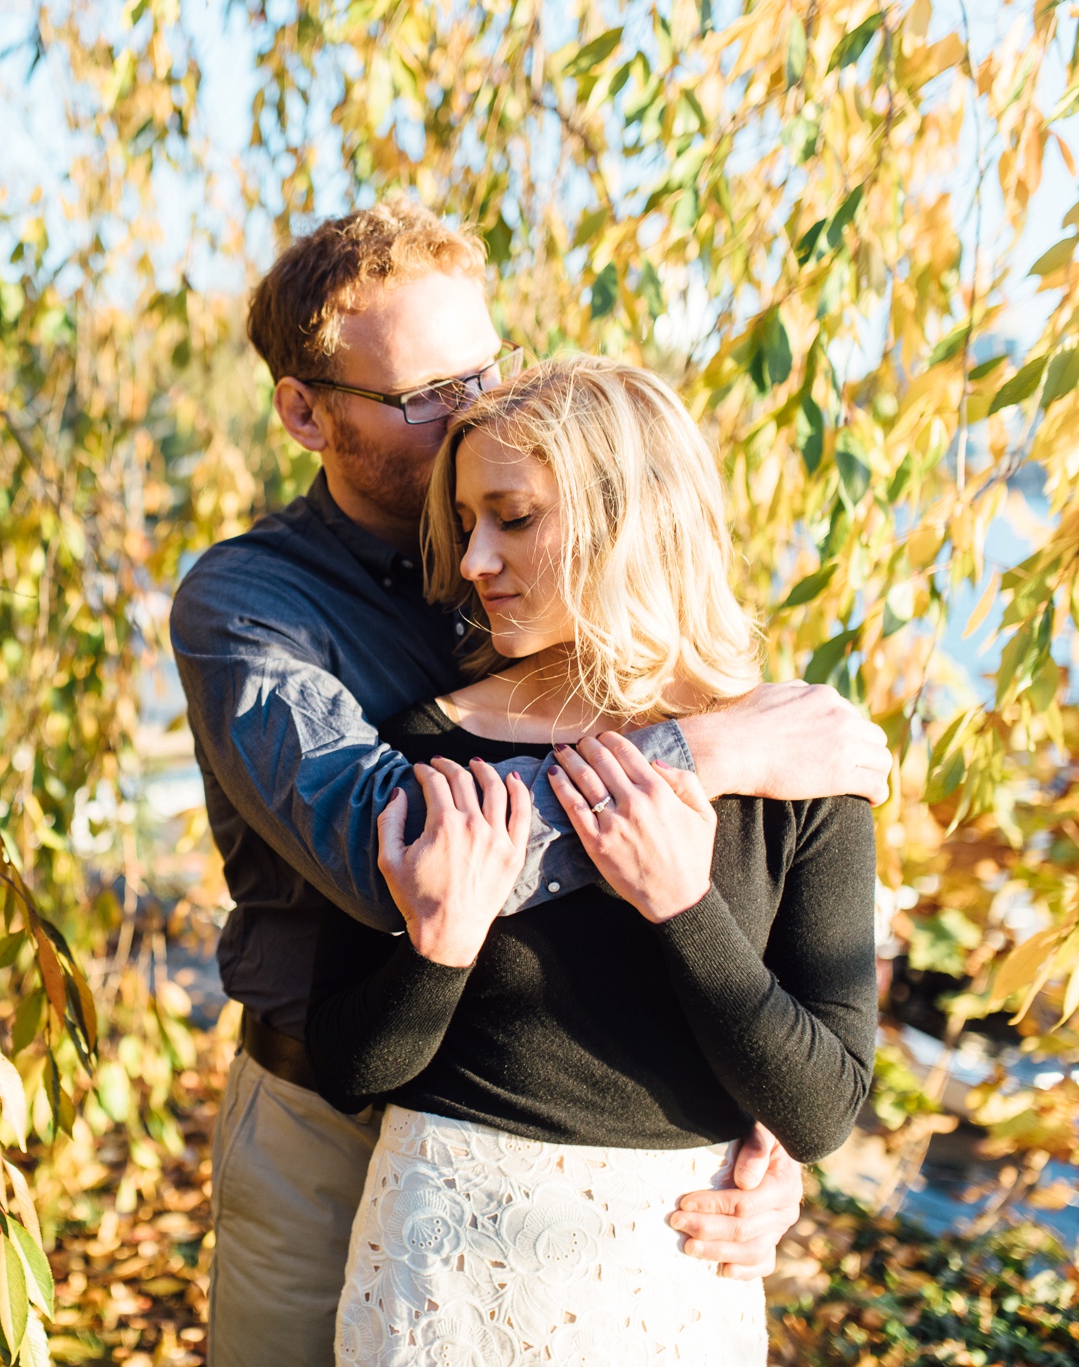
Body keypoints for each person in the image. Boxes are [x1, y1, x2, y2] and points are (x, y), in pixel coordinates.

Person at [169, 198, 892, 1366]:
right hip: (326, 1120)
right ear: (303, 411)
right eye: (421, 397)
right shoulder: (249, 607)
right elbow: (389, 856)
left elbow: (795, 1032)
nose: (470, 410)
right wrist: (705, 760)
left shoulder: (543, 545)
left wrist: (759, 1122)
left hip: (622, 1214)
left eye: (481, 370)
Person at [306, 355, 876, 1364]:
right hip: (439, 1277)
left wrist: (682, 905)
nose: (473, 560)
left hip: (664, 1286)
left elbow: (821, 1106)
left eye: (511, 518)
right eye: (466, 525)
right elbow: (348, 1065)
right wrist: (436, 951)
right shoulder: (427, 748)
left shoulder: (796, 759)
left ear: (633, 516)